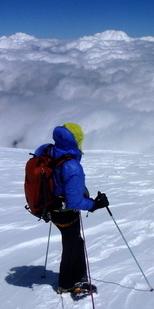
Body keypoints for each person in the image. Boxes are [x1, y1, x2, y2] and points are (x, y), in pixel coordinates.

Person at [33, 123, 109, 294]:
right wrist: (95, 204)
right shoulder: (72, 166)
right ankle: (69, 283)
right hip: (65, 213)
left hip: (49, 207)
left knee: (73, 242)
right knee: (73, 244)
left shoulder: (46, 150)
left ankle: (72, 279)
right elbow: (74, 202)